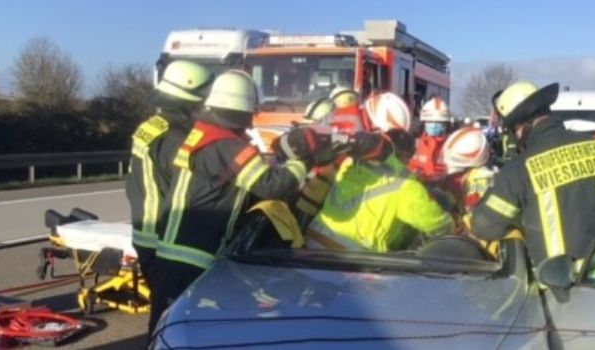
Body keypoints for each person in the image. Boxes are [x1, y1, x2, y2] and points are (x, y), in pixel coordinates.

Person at [151, 70, 327, 335]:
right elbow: (272, 186)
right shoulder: (227, 145)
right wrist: (305, 161)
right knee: (195, 330)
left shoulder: (203, 134)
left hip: (173, 252)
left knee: (168, 327)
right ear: (244, 110)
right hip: (195, 256)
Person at [468, 81, 595, 265]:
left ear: (523, 125)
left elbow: (484, 226)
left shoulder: (518, 171)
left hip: (557, 286)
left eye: (513, 130)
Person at [124, 60, 212, 334]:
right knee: (170, 314)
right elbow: (194, 186)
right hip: (164, 239)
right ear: (192, 99)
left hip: (144, 233)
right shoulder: (177, 138)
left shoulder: (151, 126)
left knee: (163, 307)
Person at [307, 92, 453, 252]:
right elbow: (434, 222)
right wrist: (453, 224)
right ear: (407, 155)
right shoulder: (406, 185)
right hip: (350, 256)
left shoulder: (351, 161)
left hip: (313, 239)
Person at [409, 97, 451, 183]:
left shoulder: (452, 145)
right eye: (430, 121)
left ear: (446, 124)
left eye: (439, 122)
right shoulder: (416, 145)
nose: (434, 125)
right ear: (424, 123)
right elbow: (410, 166)